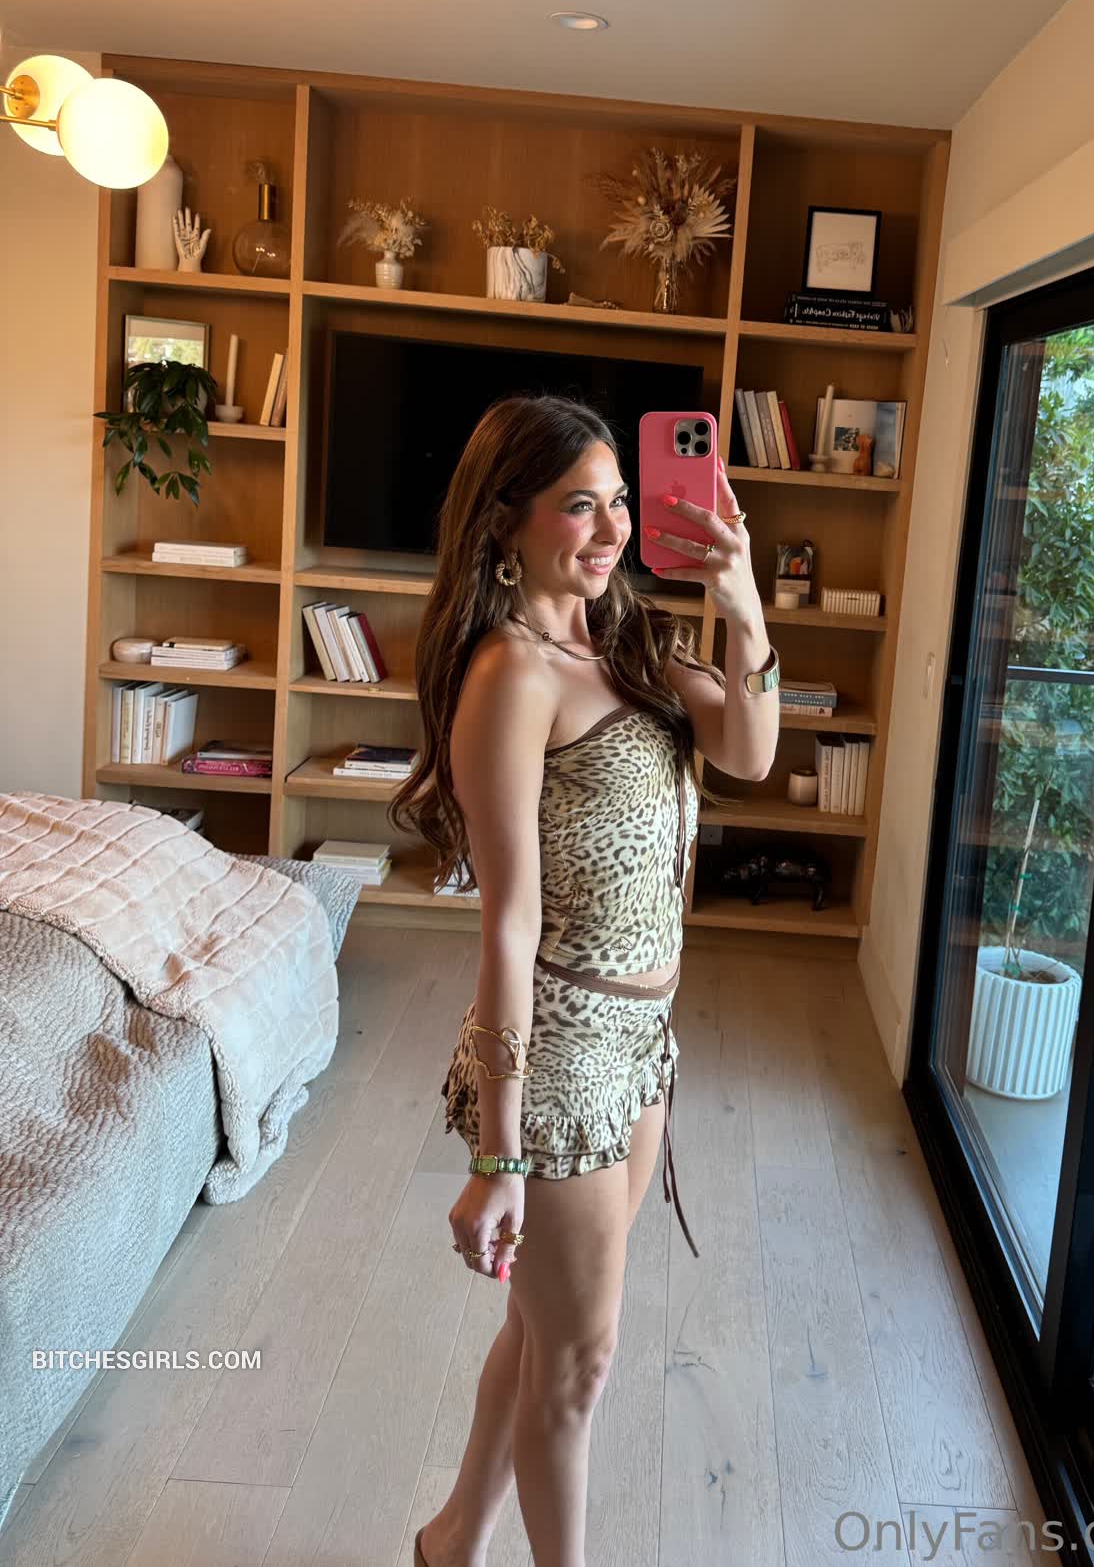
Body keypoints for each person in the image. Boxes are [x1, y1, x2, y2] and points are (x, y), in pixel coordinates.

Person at [388, 392, 779, 1567]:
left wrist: (743, 598)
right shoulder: (512, 676)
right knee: (579, 1360)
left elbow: (751, 749)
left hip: (641, 1045)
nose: (611, 529)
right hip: (558, 1057)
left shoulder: (629, 642)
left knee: (544, 1330)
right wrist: (496, 1156)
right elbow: (508, 925)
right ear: (506, 520)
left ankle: (452, 1541)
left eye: (619, 501)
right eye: (578, 505)